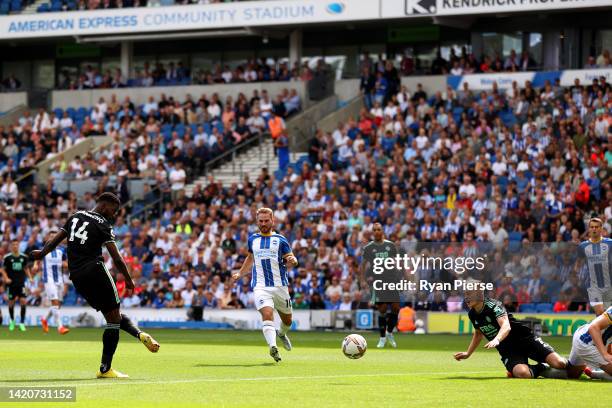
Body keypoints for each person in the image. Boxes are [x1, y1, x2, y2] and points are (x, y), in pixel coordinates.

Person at [30, 192, 160, 378]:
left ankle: (139, 335)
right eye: (114, 210)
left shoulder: (75, 217)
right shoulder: (103, 224)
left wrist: (41, 253)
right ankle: (105, 369)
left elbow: (55, 240)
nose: (114, 215)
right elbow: (116, 258)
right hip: (96, 270)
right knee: (114, 318)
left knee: (112, 316)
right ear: (105, 205)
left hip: (77, 277)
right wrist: (129, 279)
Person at [454, 287, 568, 378]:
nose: (466, 298)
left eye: (469, 294)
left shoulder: (494, 306)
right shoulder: (472, 314)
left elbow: (506, 326)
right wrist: (468, 353)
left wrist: (497, 339)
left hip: (525, 339)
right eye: (465, 295)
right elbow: (479, 333)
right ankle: (542, 368)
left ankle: (577, 363)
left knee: (560, 364)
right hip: (508, 350)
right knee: (523, 373)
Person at [231, 207, 298, 362]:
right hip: (261, 286)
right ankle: (273, 347)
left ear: (272, 221)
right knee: (267, 314)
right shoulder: (253, 239)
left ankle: (281, 333)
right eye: (260, 221)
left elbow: (290, 256)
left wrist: (293, 260)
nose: (263, 224)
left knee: (288, 321)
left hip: (280, 286)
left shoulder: (280, 240)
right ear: (257, 221)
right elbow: (250, 258)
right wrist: (240, 273)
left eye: (266, 221)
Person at [360, 223, 401, 348]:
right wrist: (362, 280)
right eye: (374, 230)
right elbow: (363, 265)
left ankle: (389, 332)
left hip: (392, 281)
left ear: (382, 231)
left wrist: (404, 276)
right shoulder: (368, 248)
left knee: (395, 308)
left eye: (379, 229)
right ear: (372, 232)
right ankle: (382, 338)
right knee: (382, 309)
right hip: (379, 282)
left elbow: (399, 262)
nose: (377, 231)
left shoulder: (390, 245)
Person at [576, 218, 611, 316]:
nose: (594, 229)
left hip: (609, 285)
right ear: (589, 229)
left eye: (596, 227)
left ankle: (600, 330)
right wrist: (578, 274)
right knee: (600, 312)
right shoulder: (582, 246)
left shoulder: (610, 243)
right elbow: (578, 263)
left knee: (607, 316)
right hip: (593, 286)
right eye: (592, 227)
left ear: (601, 228)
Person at [567, 305, 612, 380]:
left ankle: (545, 369)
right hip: (586, 343)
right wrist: (605, 354)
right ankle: (594, 374)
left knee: (572, 375)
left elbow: (609, 336)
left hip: (583, 337)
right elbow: (594, 328)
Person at [39, 230, 70, 335]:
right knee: (55, 303)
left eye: (54, 237)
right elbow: (36, 257)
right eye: (51, 236)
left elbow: (65, 263)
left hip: (59, 280)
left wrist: (66, 265)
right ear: (48, 238)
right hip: (49, 280)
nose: (52, 238)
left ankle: (44, 319)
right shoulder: (44, 250)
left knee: (58, 305)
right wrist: (35, 265)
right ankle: (60, 327)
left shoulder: (62, 250)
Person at [1, 240, 31, 331]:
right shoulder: (7, 257)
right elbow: (2, 270)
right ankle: (12, 321)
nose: (15, 246)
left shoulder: (24, 257)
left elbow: (26, 268)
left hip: (22, 284)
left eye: (16, 245)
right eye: (13, 245)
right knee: (11, 303)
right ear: (11, 246)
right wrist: (6, 278)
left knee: (23, 301)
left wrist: (30, 277)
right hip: (11, 285)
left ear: (19, 246)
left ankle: (22, 323)